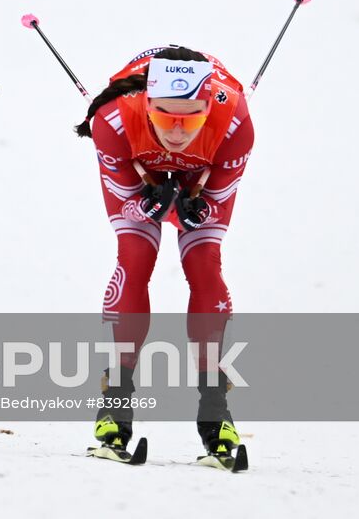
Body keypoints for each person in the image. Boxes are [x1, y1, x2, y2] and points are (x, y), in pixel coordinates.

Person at [76, 46, 253, 459]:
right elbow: (125, 199)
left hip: (203, 170)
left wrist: (197, 207)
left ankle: (216, 408)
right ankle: (115, 402)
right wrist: (148, 205)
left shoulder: (236, 123)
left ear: (209, 106)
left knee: (204, 265)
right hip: (139, 165)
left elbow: (217, 199)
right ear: (146, 102)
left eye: (190, 117)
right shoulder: (112, 119)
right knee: (135, 259)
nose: (176, 132)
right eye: (164, 116)